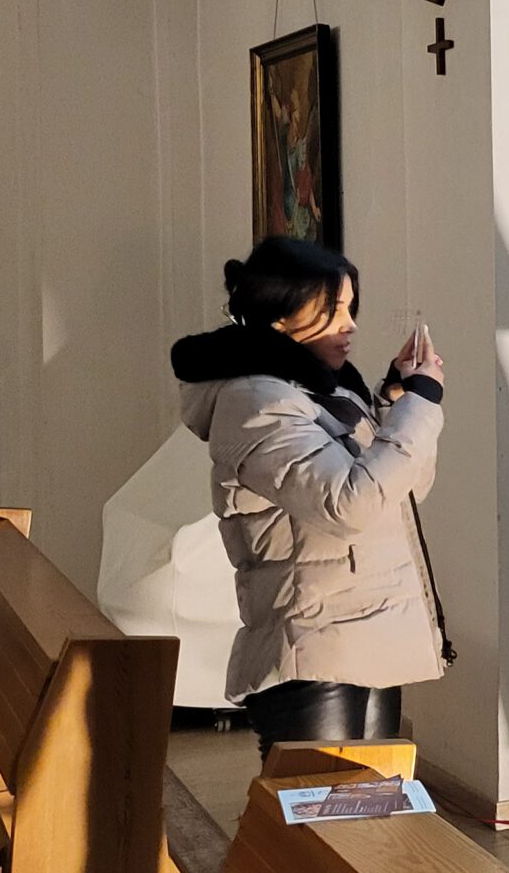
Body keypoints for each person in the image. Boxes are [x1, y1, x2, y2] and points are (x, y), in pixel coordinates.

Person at [171, 236, 451, 757]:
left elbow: (405, 491)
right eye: (331, 310)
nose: (350, 325)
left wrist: (395, 402)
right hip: (314, 645)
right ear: (280, 317)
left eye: (349, 308)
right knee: (315, 804)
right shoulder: (254, 401)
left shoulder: (331, 389)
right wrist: (421, 403)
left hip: (371, 631)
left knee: (371, 803)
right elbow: (349, 507)